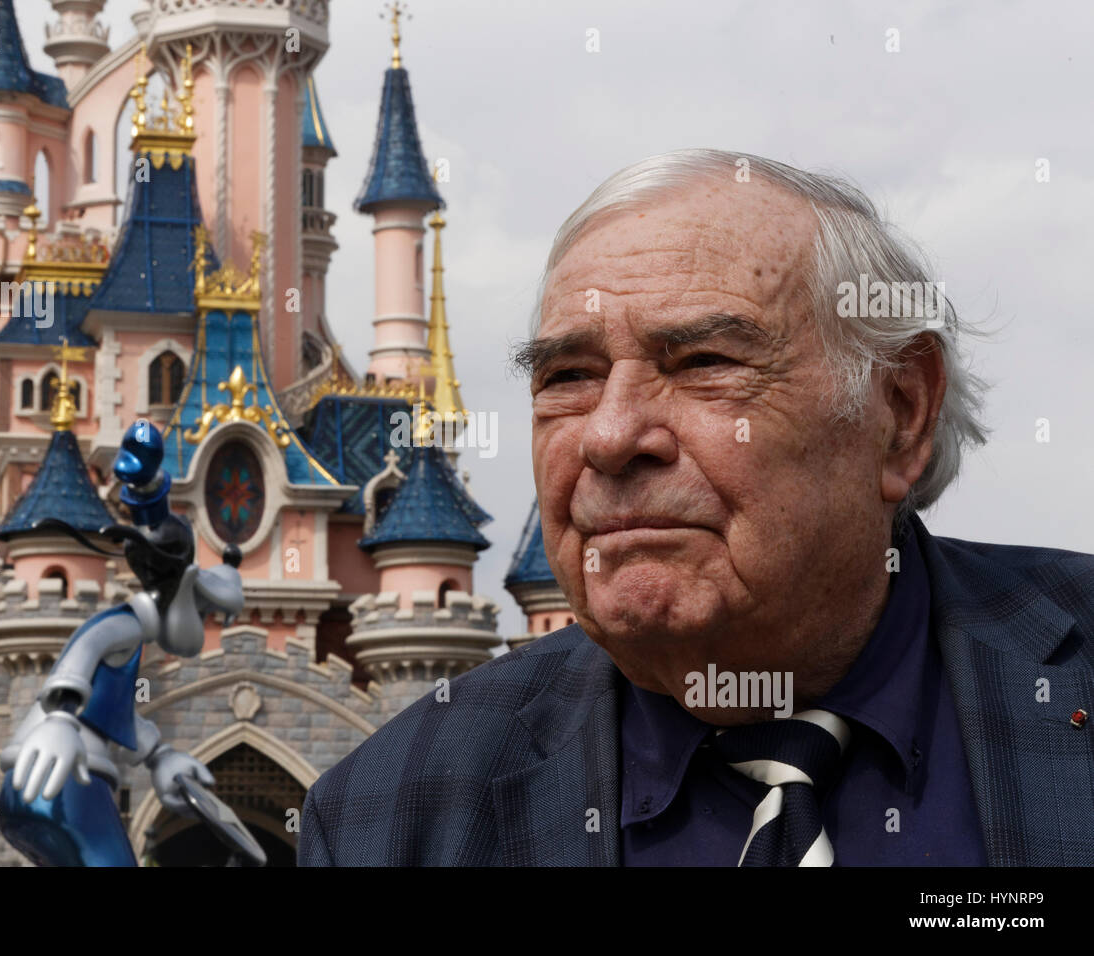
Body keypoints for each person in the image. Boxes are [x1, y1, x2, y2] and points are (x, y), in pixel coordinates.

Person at [298, 149, 1094, 866]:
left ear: (899, 413)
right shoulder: (392, 819)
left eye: (704, 362)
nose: (610, 436)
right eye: (569, 376)